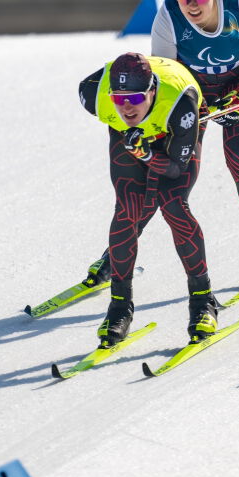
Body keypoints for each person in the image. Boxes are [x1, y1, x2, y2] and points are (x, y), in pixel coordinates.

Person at [83, 0, 239, 289]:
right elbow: (168, 79)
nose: (191, 3)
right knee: (167, 183)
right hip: (192, 94)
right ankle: (115, 254)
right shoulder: (168, 17)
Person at [78, 52, 218, 346]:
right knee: (127, 208)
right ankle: (119, 307)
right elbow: (116, 104)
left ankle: (203, 301)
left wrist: (146, 152)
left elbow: (174, 168)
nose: (127, 106)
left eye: (136, 98)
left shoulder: (182, 106)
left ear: (152, 90)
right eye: (119, 98)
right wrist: (134, 140)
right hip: (131, 133)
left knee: (173, 203)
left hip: (174, 124)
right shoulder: (93, 94)